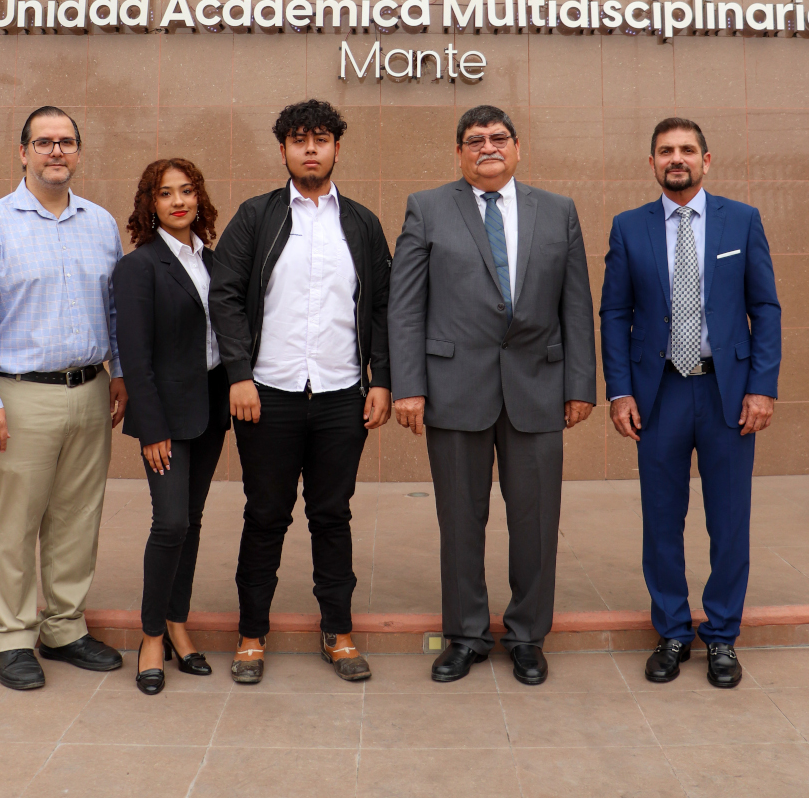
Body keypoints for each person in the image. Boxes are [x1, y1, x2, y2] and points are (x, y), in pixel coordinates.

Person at [388, 104, 596, 686]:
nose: (488, 147)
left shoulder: (557, 211)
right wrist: (409, 386)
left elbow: (576, 304)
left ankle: (528, 636)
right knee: (460, 520)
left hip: (539, 389)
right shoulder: (427, 207)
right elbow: (405, 306)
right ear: (459, 152)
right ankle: (467, 636)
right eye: (475, 139)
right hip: (454, 389)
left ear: (517, 147)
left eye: (499, 137)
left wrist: (580, 383)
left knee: (536, 522)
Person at [209, 99, 392, 684]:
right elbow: (225, 296)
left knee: (331, 516)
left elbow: (383, 307)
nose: (310, 149)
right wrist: (240, 374)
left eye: (320, 139)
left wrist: (382, 379)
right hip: (268, 395)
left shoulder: (361, 223)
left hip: (342, 395)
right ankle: (251, 635)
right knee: (265, 516)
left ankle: (338, 631)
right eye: (298, 140)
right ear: (283, 149)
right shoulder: (255, 216)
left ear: (337, 147)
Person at [0, 106, 128, 690]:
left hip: (90, 390)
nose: (56, 151)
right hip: (19, 396)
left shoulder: (100, 223)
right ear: (22, 152)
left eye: (67, 141)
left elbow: (115, 310)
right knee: (15, 523)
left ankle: (65, 628)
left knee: (77, 517)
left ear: (78, 152)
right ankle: (11, 637)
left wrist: (120, 373)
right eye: (44, 142)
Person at [600, 118, 781, 689]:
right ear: (652, 163)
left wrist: (762, 385)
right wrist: (620, 390)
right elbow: (614, 314)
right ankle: (673, 630)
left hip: (728, 393)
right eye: (665, 151)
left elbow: (764, 307)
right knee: (661, 519)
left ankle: (722, 635)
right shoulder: (629, 227)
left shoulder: (742, 220)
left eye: (686, 150)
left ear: (707, 159)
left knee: (729, 520)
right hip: (659, 394)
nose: (675, 159)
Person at [112, 159, 231, 696]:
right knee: (171, 522)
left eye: (186, 191)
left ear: (198, 198)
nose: (178, 201)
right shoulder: (139, 267)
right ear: (150, 203)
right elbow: (135, 357)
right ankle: (152, 636)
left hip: (209, 409)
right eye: (166, 193)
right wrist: (152, 429)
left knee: (193, 521)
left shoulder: (212, 259)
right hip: (165, 416)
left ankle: (179, 624)